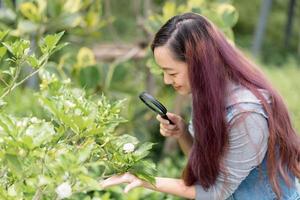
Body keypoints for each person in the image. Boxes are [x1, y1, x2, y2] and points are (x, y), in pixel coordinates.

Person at [100, 12, 300, 200]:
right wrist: (182, 134)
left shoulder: (247, 116)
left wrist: (143, 180)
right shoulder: (206, 94)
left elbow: (215, 191)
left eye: (171, 72)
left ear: (198, 65)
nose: (166, 80)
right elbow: (208, 170)